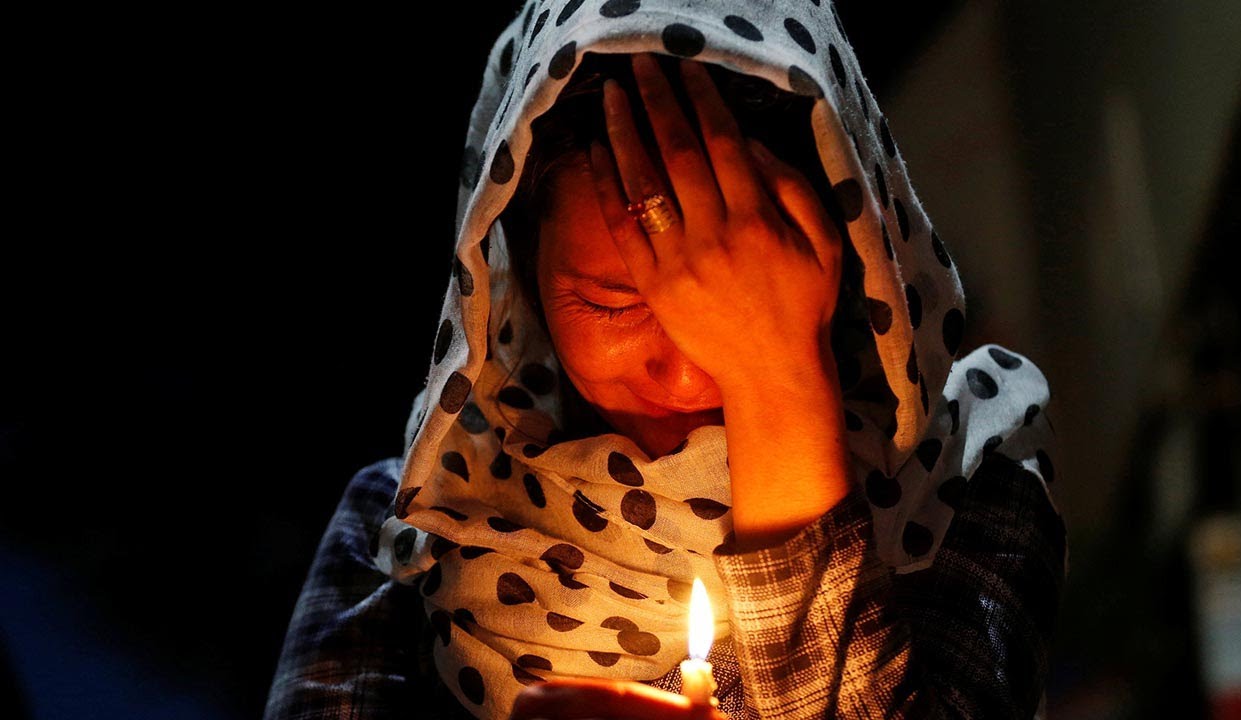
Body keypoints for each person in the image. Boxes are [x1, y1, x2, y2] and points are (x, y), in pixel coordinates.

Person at [265, 2, 1069, 719]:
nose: (687, 377)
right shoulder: (417, 529)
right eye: (612, 304)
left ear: (857, 253)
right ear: (515, 285)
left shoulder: (967, 485)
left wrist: (779, 387)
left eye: (758, 297)